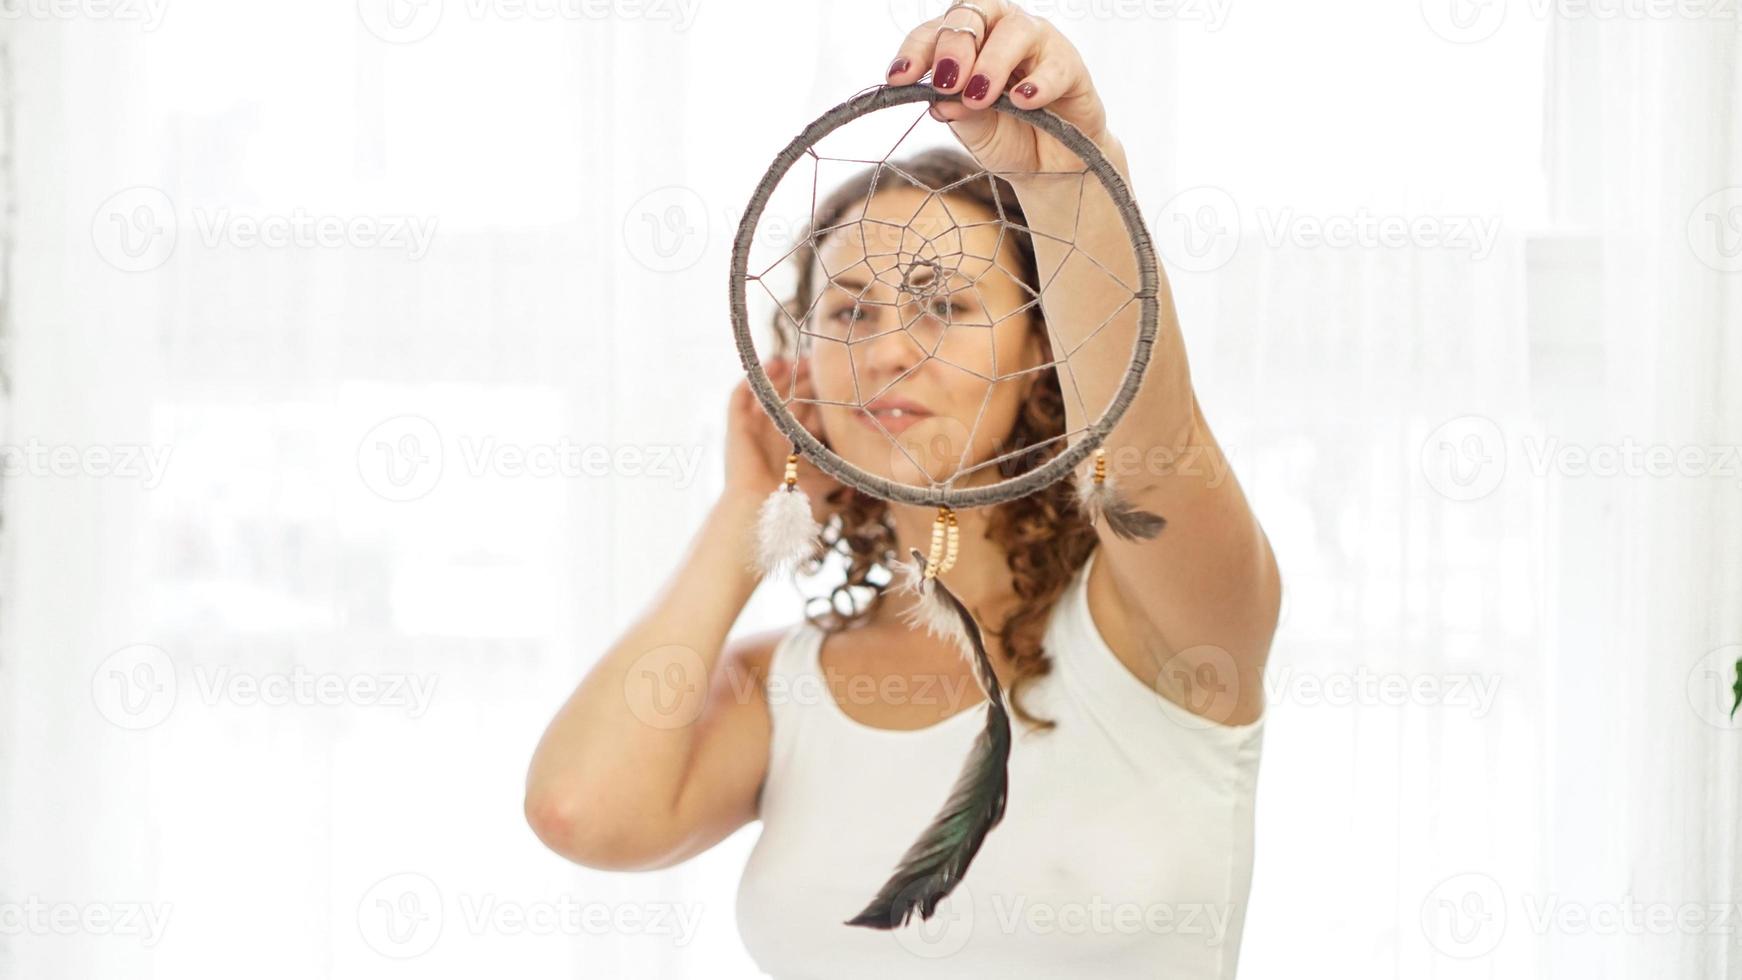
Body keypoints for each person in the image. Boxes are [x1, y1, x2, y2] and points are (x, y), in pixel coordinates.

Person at [526, 3, 1280, 975]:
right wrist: (742, 514)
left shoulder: (1161, 616)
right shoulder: (781, 688)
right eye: (848, 310)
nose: (886, 350)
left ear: (1041, 349)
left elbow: (1149, 445)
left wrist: (1064, 180)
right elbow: (579, 809)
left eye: (945, 303)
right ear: (800, 369)